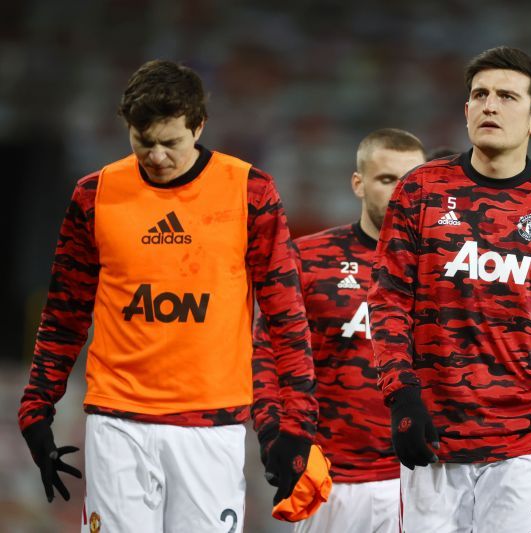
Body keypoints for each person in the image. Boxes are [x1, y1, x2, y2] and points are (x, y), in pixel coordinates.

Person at [18, 59, 317, 533]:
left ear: (198, 125)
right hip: (117, 419)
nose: (156, 156)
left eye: (171, 142)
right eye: (144, 142)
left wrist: (298, 423)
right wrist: (37, 406)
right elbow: (64, 312)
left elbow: (285, 315)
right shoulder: (94, 195)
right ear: (128, 129)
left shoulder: (250, 192)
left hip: (210, 425)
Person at [367, 46, 531, 533]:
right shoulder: (420, 192)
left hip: (530, 437)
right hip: (435, 435)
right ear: (465, 110)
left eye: (506, 96)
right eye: (479, 95)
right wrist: (402, 395)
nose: (490, 105)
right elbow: (388, 300)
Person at [255, 128, 426, 532]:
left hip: (426, 480)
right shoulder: (309, 260)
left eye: (412, 183)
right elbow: (267, 353)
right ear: (358, 183)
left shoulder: (448, 270)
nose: (401, 194)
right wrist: (272, 432)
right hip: (334, 481)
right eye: (387, 180)